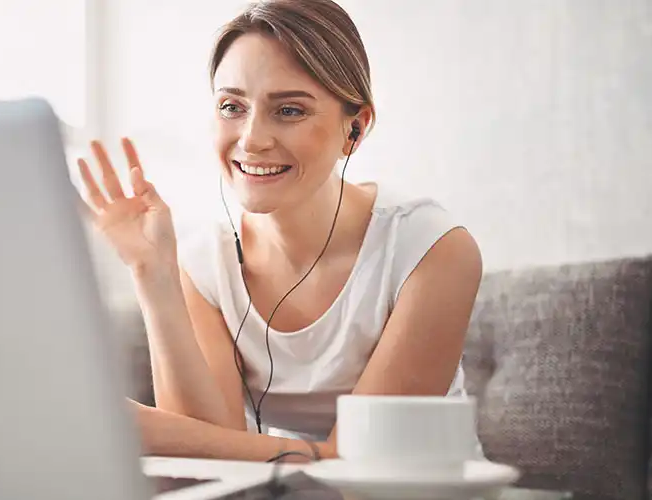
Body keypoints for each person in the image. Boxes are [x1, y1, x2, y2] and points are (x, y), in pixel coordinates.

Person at [76, 0, 483, 462]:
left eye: (289, 110)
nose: (251, 139)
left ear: (355, 129)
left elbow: (369, 463)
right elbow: (209, 456)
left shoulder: (430, 249)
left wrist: (164, 435)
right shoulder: (206, 263)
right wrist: (153, 273)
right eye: (232, 106)